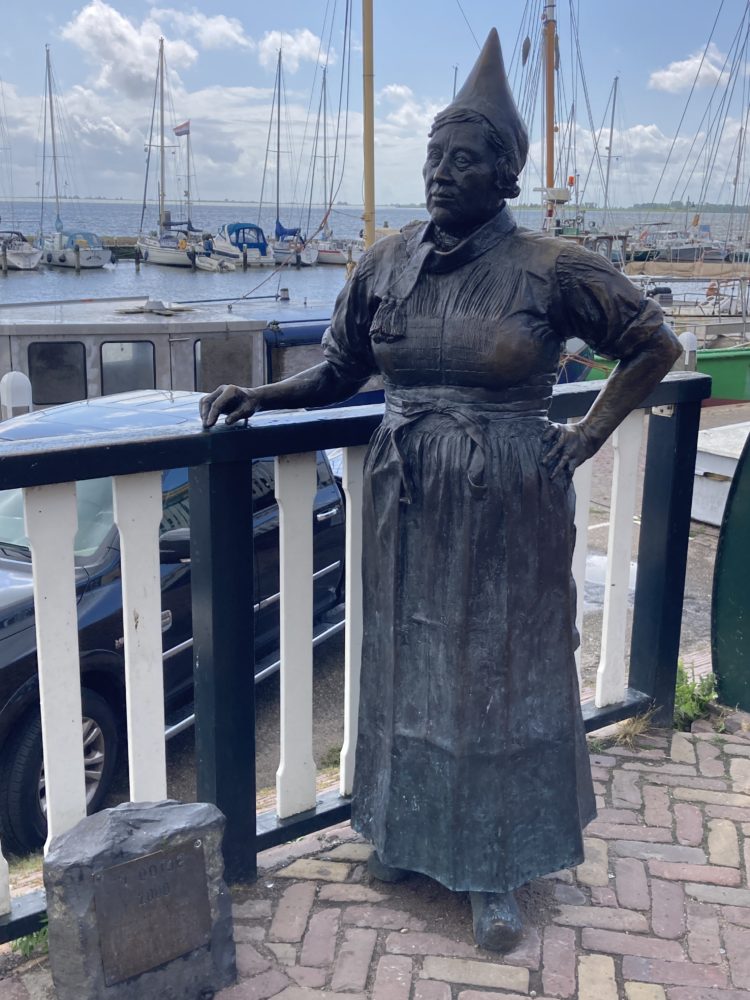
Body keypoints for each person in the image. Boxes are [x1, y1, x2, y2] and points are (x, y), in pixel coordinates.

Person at [201, 29, 681, 952]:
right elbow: (341, 371)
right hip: (408, 497)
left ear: (504, 176)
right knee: (406, 666)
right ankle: (410, 833)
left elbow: (656, 345)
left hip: (507, 499)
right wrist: (261, 395)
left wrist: (586, 435)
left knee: (499, 673)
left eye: (465, 160)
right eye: (433, 156)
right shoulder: (384, 262)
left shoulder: (553, 265)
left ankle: (498, 863)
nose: (441, 172)